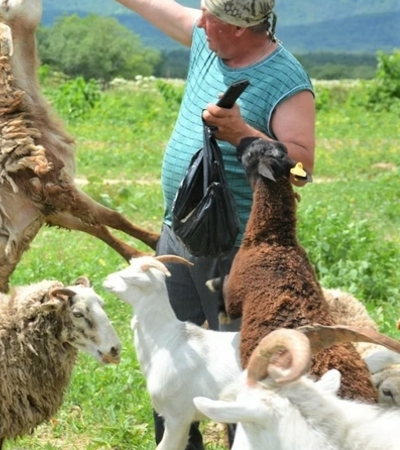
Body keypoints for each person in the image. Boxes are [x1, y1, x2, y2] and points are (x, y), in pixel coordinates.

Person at [114, 0, 315, 448]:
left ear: (241, 29)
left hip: (238, 253)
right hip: (178, 236)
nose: (198, 21)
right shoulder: (209, 43)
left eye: (209, 16)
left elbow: (303, 169)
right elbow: (162, 8)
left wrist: (244, 134)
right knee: (169, 360)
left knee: (237, 374)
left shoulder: (288, 82)